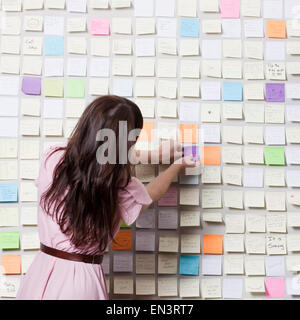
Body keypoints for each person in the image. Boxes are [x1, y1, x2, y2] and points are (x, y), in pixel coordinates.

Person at [16, 95, 199, 300]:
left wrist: (154, 155)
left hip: (40, 274)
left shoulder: (54, 158)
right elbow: (150, 194)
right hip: (81, 284)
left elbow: (97, 155)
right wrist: (176, 166)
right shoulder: (119, 184)